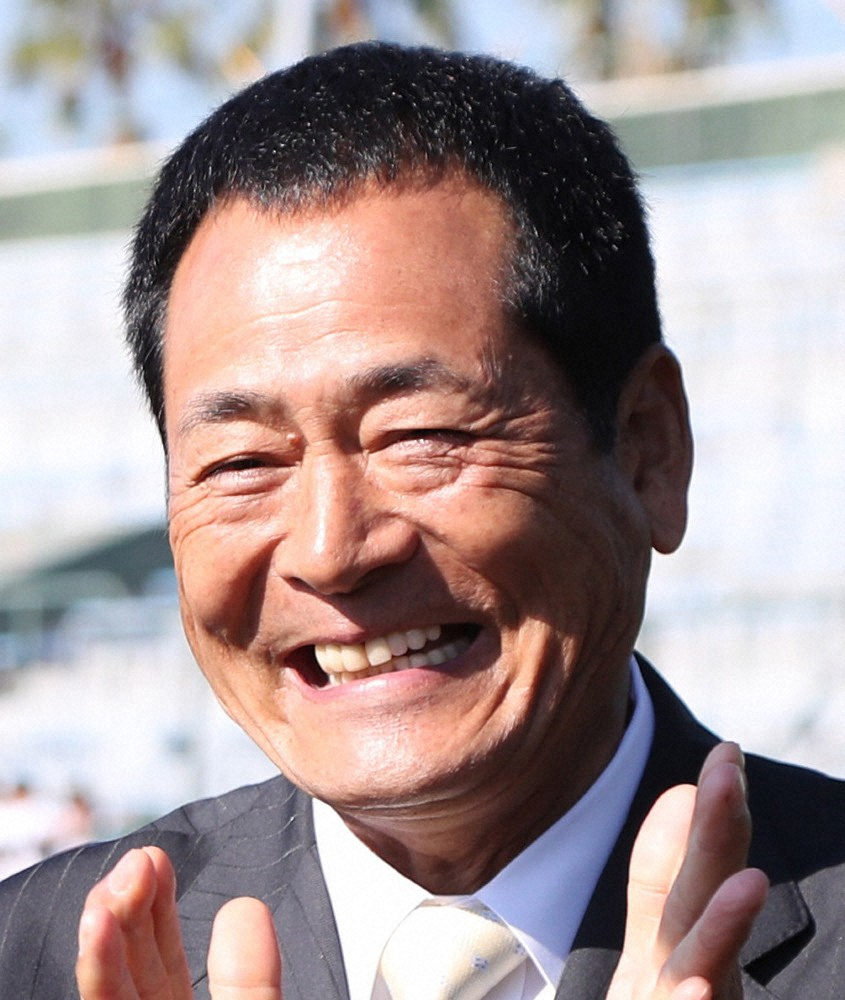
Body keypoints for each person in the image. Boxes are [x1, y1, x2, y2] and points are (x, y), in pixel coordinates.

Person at [0, 42, 842, 1000]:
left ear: (647, 448)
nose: (331, 551)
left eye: (418, 437)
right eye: (242, 464)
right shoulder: (37, 959)